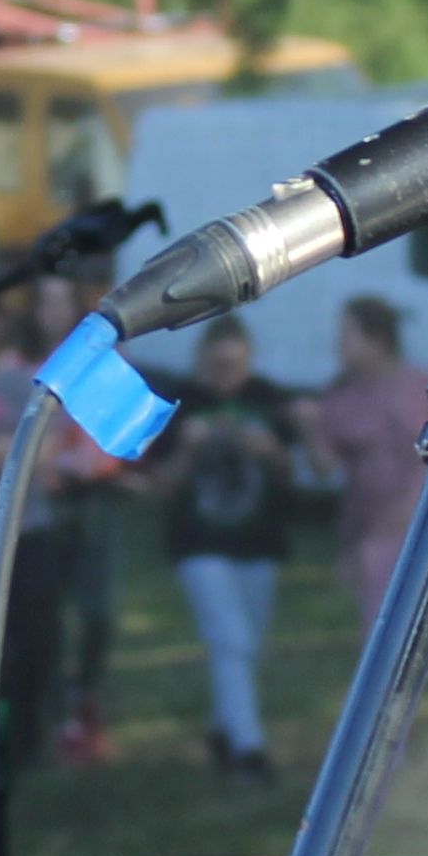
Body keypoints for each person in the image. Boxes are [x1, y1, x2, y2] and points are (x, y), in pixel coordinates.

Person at [306, 294, 428, 763]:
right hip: (370, 536)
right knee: (382, 645)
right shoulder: (340, 397)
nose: (339, 346)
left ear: (376, 338)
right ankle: (386, 746)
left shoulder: (418, 389)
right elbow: (325, 468)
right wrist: (309, 428)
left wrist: (406, 515)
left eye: (348, 336)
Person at [140, 318, 317, 776]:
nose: (226, 377)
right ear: (202, 360)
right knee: (231, 640)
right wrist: (187, 450)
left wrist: (270, 450)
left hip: (259, 542)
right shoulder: (181, 402)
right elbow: (159, 485)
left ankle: (224, 731)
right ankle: (248, 750)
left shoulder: (267, 398)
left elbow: (295, 474)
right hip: (199, 542)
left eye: (235, 366)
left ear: (248, 360)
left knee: (246, 647)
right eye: (218, 366)